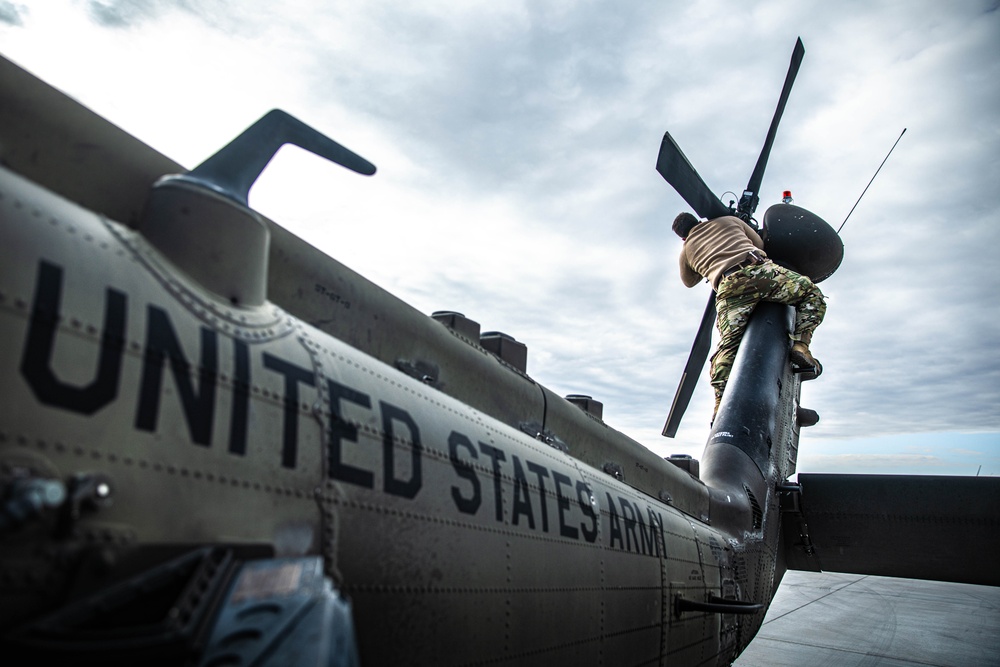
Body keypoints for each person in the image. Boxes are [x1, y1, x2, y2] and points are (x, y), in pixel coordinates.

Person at [673, 212, 826, 418]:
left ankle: (720, 405)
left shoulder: (686, 251)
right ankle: (801, 346)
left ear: (682, 237)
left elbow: (689, 281)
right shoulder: (729, 221)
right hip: (757, 271)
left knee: (727, 349)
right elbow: (760, 244)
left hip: (729, 288)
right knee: (811, 294)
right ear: (698, 220)